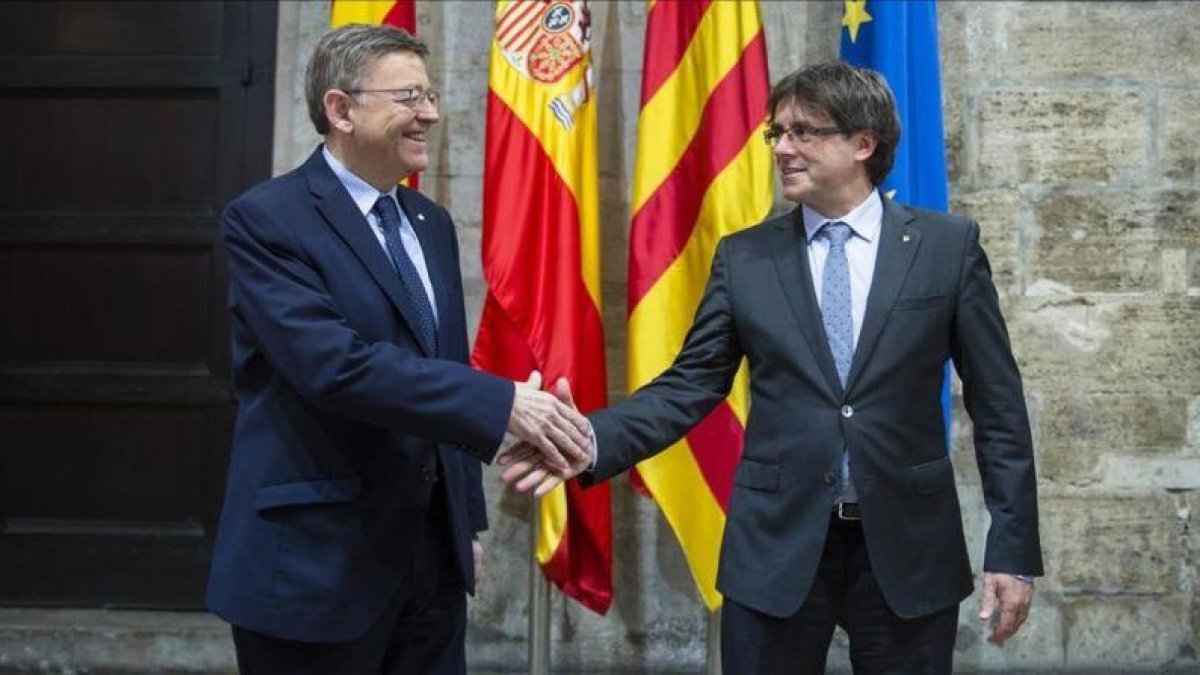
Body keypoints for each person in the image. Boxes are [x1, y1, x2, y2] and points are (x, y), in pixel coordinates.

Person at [501, 61, 1043, 673]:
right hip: (777, 548)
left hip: (908, 547)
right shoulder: (746, 258)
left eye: (804, 132)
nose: (782, 148)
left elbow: (999, 406)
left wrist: (1012, 549)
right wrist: (591, 438)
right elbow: (690, 385)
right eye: (776, 133)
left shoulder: (948, 248)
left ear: (863, 143)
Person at [206, 24, 590, 674]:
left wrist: (464, 520)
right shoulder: (268, 219)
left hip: (430, 566)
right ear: (341, 108)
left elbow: (439, 368)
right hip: (316, 565)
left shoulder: (428, 223)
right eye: (410, 96)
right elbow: (335, 366)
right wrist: (504, 404)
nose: (432, 114)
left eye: (432, 94)